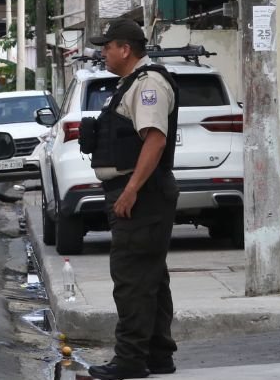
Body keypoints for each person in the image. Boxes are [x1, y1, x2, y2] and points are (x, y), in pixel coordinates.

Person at [84, 19, 180, 380]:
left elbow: (154, 139)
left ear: (125, 49)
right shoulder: (130, 85)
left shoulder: (149, 84)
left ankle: (130, 359)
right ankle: (157, 354)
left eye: (107, 46)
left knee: (132, 278)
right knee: (150, 275)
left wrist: (131, 189)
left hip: (143, 195)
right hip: (141, 193)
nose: (103, 53)